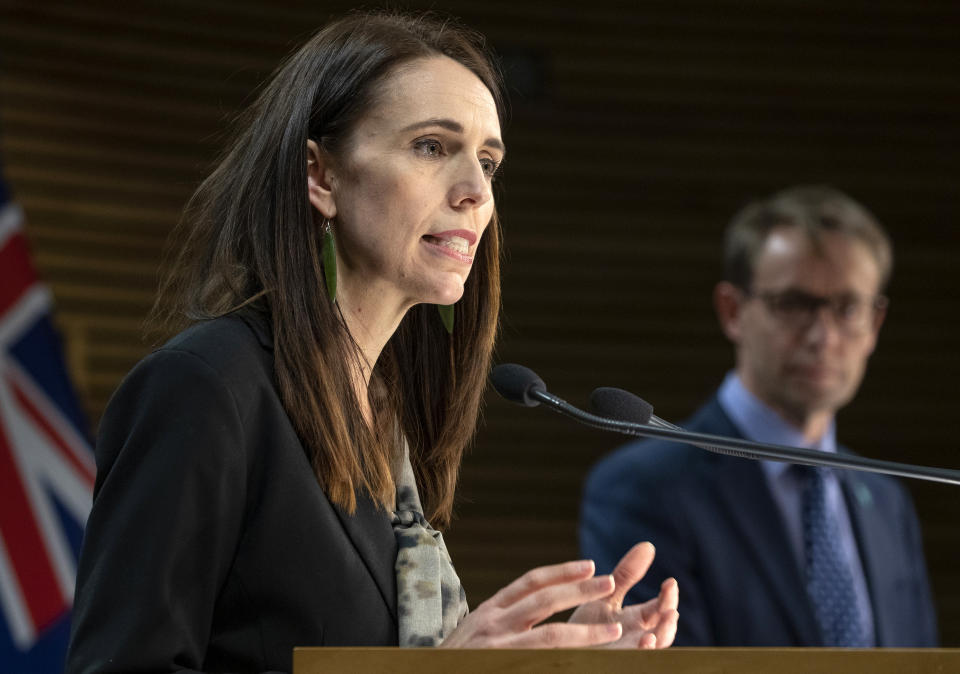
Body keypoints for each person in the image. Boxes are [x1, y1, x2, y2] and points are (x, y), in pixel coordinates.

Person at [65, 11, 678, 673]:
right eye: (432, 147)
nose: (476, 192)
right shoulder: (206, 389)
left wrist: (557, 662)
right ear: (320, 174)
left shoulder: (386, 420)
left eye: (489, 161)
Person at [580, 185, 937, 647]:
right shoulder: (641, 488)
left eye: (848, 308)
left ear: (875, 324)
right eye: (793, 304)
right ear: (732, 310)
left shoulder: (887, 499)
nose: (822, 337)